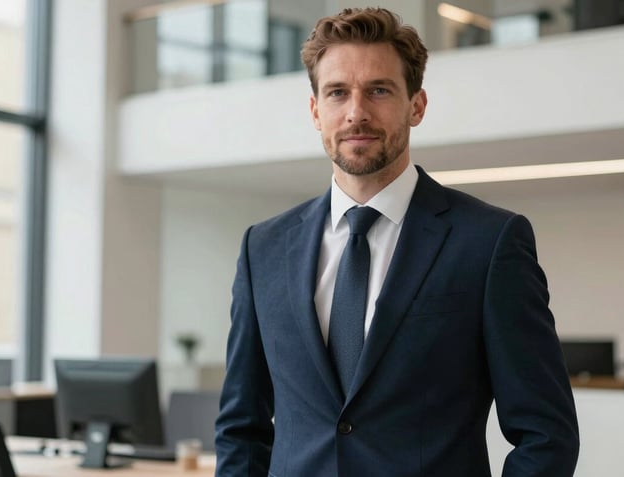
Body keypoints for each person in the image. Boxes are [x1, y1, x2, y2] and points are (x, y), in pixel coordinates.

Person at [215, 7, 579, 476]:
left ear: (416, 105)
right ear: (316, 111)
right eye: (337, 92)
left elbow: (546, 435)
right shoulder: (262, 248)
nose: (356, 113)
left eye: (379, 90)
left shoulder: (489, 243)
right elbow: (241, 430)